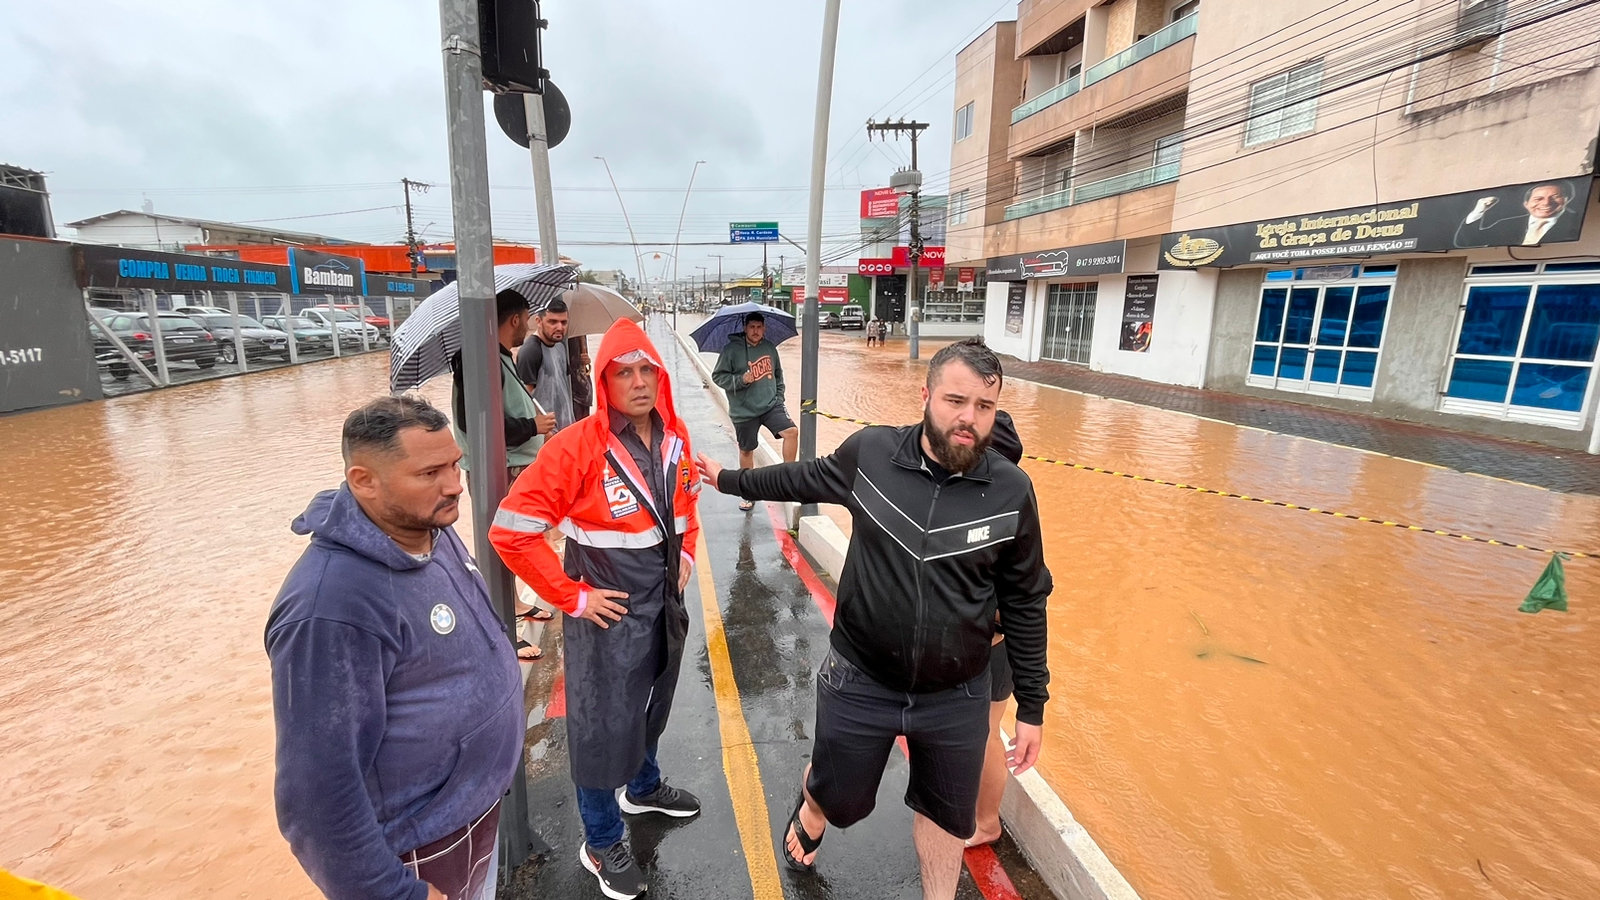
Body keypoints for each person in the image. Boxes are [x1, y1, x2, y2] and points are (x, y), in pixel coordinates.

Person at [696, 338, 1052, 900]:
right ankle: (815, 808)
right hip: (860, 680)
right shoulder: (871, 456)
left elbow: (1028, 599)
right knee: (842, 799)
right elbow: (801, 478)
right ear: (926, 395)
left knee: (946, 818)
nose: (969, 418)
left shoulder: (1011, 491)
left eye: (983, 407)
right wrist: (728, 480)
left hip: (956, 694)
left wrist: (1031, 705)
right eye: (955, 401)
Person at [267, 395, 523, 900]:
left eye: (454, 464)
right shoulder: (330, 607)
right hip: (420, 853)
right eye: (429, 473)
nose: (454, 485)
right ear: (365, 481)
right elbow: (315, 795)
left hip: (472, 816)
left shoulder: (428, 525)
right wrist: (395, 894)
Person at [489, 318, 703, 900]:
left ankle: (645, 785)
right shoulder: (576, 446)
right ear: (603, 381)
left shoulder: (676, 435)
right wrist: (573, 597)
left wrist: (686, 554)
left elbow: (685, 509)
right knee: (600, 725)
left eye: (646, 371)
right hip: (606, 615)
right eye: (623, 373)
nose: (637, 382)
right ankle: (601, 836)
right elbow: (511, 531)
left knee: (653, 701)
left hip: (663, 604)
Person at [450, 288, 556, 660]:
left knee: (513, 539)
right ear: (514, 319)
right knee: (502, 542)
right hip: (498, 467)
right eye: (527, 319)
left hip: (511, 465)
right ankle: (502, 627)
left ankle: (513, 603)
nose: (528, 327)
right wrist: (532, 425)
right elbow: (475, 421)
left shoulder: (498, 356)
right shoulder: (479, 360)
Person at [970, 410, 1024, 847]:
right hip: (987, 645)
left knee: (988, 734)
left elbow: (1026, 594)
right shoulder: (994, 503)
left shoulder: (1003, 514)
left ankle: (987, 822)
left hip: (993, 648)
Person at [710, 311, 798, 511]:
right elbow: (718, 377)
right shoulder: (731, 350)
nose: (756, 331)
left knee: (791, 432)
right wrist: (741, 380)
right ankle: (748, 493)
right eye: (752, 327)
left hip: (770, 405)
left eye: (759, 327)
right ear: (745, 328)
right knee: (747, 449)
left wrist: (779, 397)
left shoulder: (769, 348)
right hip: (744, 411)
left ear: (764, 328)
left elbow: (778, 375)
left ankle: (789, 478)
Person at [514, 297, 592, 431]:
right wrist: (543, 433)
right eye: (552, 322)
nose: (559, 327)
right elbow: (525, 401)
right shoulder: (531, 351)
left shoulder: (560, 347)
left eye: (563, 322)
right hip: (548, 435)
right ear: (538, 321)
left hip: (566, 430)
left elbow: (564, 388)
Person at [1455, 180, 1581, 248]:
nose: (1546, 203)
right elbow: (1466, 241)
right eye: (1538, 199)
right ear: (1526, 204)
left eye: (1555, 197)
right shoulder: (1507, 225)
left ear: (1566, 199)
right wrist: (1479, 211)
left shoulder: (1575, 222)